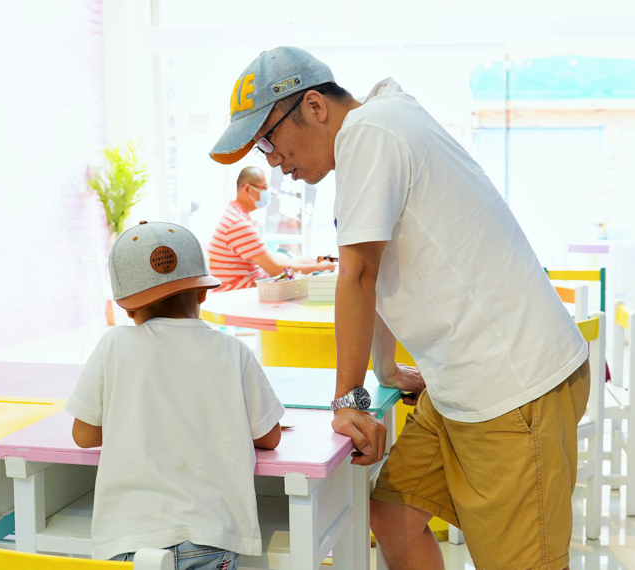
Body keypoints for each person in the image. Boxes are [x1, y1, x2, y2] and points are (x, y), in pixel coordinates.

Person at [209, 46, 589, 570]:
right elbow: (382, 267)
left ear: (315, 107)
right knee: (391, 514)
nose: (271, 161)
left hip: (511, 388)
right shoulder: (381, 126)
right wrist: (385, 370)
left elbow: (359, 274)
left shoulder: (371, 133)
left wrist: (349, 400)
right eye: (260, 150)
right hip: (459, 382)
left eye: (269, 139)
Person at [66, 220, 285, 566]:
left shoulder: (114, 345)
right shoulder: (233, 351)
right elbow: (269, 437)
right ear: (203, 292)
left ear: (127, 306)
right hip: (210, 533)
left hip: (128, 538)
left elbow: (84, 434)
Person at [208, 166, 335, 291]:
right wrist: (319, 268)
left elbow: (271, 260)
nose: (267, 194)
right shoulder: (238, 224)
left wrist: (312, 262)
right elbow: (276, 269)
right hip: (240, 295)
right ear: (247, 188)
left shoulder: (236, 216)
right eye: (264, 188)